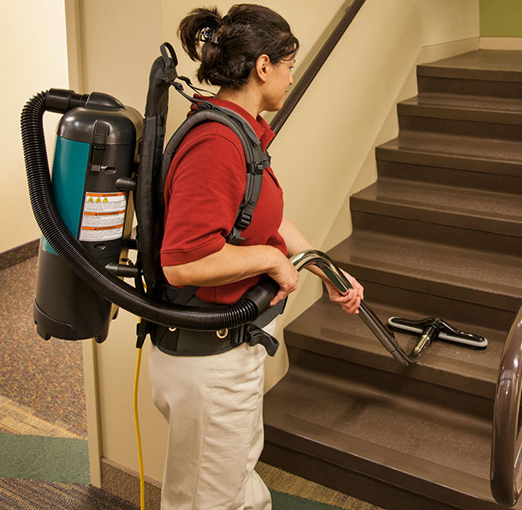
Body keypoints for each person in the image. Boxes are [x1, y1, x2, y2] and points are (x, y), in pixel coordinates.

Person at [148, 5, 364, 510]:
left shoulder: (241, 133)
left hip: (233, 351)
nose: (291, 78)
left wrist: (323, 267)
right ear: (263, 67)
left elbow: (258, 218)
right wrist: (271, 260)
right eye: (289, 66)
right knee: (206, 501)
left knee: (238, 484)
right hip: (209, 367)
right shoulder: (216, 143)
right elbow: (183, 262)